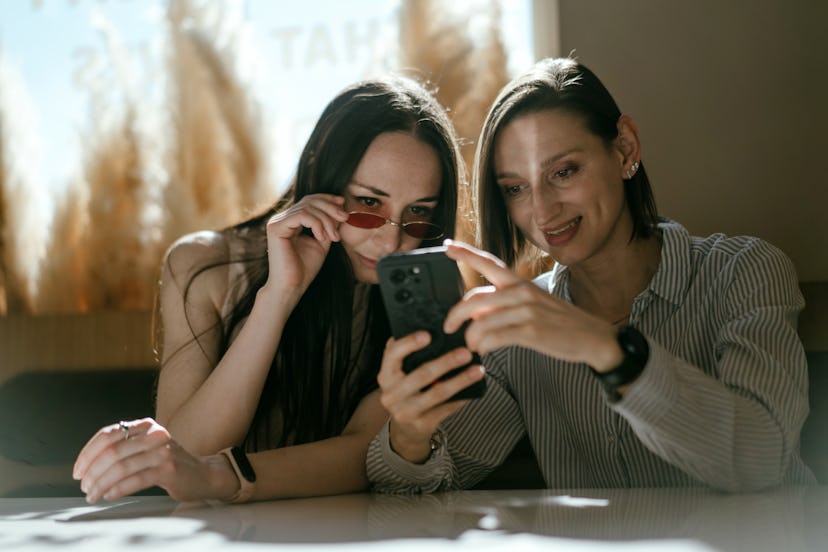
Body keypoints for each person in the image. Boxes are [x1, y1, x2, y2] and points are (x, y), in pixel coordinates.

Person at [367, 57, 817, 493]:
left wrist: (607, 350)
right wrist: (410, 433)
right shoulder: (519, 333)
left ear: (625, 149)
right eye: (516, 188)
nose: (544, 211)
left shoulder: (745, 271)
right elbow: (432, 478)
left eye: (564, 171)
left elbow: (761, 460)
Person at [72, 75, 465, 504]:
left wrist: (222, 478)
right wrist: (278, 296)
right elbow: (188, 453)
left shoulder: (422, 297)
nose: (391, 242)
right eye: (369, 204)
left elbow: (368, 454)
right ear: (322, 179)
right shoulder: (204, 266)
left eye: (418, 213)